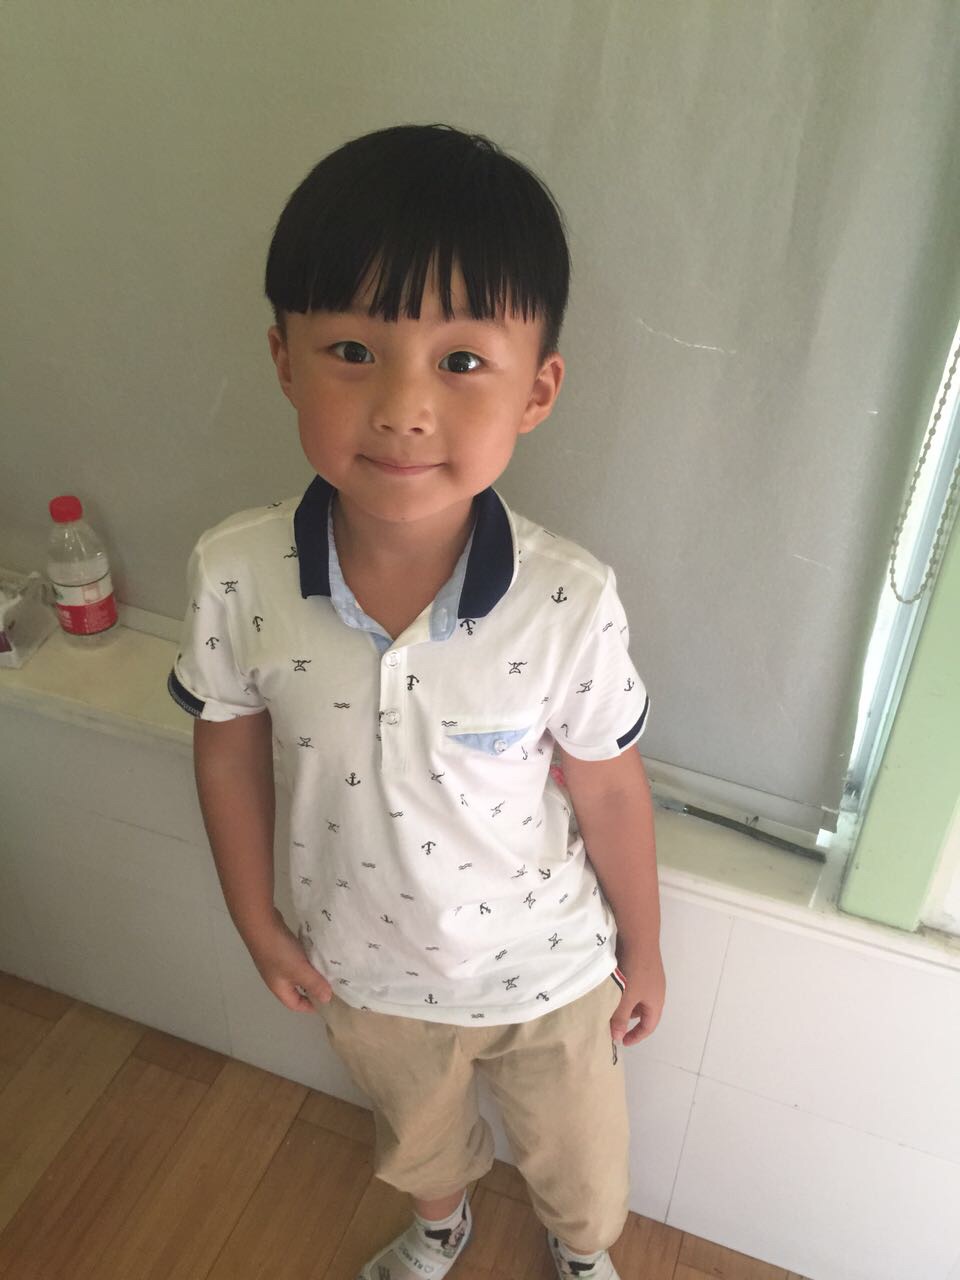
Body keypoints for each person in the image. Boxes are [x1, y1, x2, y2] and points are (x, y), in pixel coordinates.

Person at [168, 123, 665, 1280]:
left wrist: (644, 948)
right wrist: (256, 920)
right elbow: (227, 746)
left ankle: (581, 1251)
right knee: (418, 1141)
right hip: (364, 963)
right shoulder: (236, 572)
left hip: (549, 969)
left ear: (537, 389)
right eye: (353, 349)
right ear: (285, 359)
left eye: (461, 361)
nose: (401, 405)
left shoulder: (568, 597)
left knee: (582, 1163)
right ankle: (444, 1222)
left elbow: (609, 787)